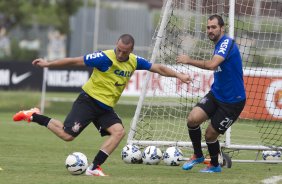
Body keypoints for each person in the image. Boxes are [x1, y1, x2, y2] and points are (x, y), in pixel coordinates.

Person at [13, 34, 191, 176]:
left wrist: (179, 76)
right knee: (67, 135)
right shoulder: (104, 57)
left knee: (119, 132)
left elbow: (158, 68)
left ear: (131, 50)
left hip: (105, 108)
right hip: (88, 101)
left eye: (125, 52)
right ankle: (34, 115)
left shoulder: (134, 61)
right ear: (116, 45)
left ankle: (94, 167)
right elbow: (75, 61)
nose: (121, 54)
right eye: (119, 50)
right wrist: (48, 64)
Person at [176, 15, 246, 173]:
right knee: (193, 119)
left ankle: (214, 165)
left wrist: (189, 60)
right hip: (217, 94)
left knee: (209, 135)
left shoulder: (226, 42)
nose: (210, 30)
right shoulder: (218, 44)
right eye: (208, 27)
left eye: (214, 27)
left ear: (222, 28)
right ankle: (198, 155)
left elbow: (212, 64)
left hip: (232, 102)